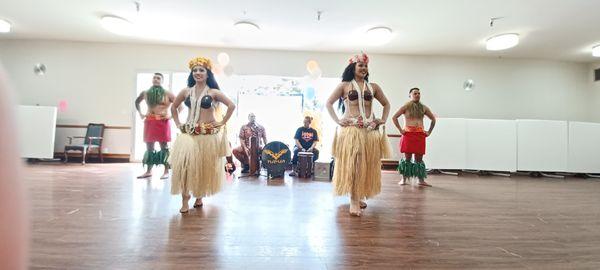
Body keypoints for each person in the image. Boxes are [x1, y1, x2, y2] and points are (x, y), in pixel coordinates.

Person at [325, 52, 391, 216]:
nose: (364, 68)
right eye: (360, 65)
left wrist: (382, 119)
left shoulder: (373, 87)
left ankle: (359, 196)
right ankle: (353, 201)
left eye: (366, 66)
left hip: (369, 132)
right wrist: (338, 120)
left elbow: (386, 104)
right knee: (355, 165)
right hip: (352, 132)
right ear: (352, 67)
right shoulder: (344, 86)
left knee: (366, 166)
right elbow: (328, 103)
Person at [169, 56, 236, 213]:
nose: (197, 73)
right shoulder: (186, 91)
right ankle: (185, 200)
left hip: (207, 137)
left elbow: (231, 105)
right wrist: (178, 123)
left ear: (208, 74)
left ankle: (199, 196)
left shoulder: (213, 92)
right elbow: (174, 108)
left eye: (201, 70)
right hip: (188, 136)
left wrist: (222, 121)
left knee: (202, 168)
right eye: (195, 70)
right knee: (184, 167)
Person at [392, 87, 436, 187]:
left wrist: (429, 132)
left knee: (419, 159)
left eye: (419, 93)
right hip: (408, 135)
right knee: (407, 158)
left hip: (420, 135)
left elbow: (433, 119)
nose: (417, 95)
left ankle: (420, 180)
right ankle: (403, 179)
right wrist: (400, 130)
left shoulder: (424, 107)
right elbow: (394, 117)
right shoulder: (405, 107)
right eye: (415, 93)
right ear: (410, 95)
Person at [135, 73, 175, 179]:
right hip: (150, 121)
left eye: (158, 78)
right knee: (149, 147)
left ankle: (166, 171)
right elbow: (137, 102)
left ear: (162, 81)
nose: (156, 79)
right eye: (154, 77)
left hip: (162, 122)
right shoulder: (146, 93)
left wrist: (170, 116)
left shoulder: (167, 94)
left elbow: (179, 106)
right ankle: (149, 171)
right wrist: (140, 113)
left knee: (164, 147)